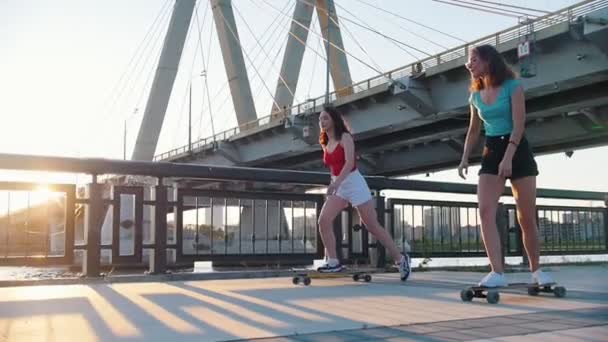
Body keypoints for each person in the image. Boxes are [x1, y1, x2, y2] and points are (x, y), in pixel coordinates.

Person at [459, 44, 553, 287]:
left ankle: (537, 270)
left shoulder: (513, 86)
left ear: (489, 60)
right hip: (492, 150)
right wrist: (465, 157)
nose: (469, 64)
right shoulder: (475, 95)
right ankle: (497, 273)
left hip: (517, 148)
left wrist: (509, 156)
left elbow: (519, 124)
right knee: (485, 211)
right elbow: (473, 130)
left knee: (525, 217)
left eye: (474, 60)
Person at [317, 105, 411, 281]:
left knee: (372, 226)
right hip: (339, 186)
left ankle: (401, 259)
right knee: (323, 221)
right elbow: (333, 167)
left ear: (334, 120)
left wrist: (336, 183)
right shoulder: (324, 142)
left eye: (325, 118)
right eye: (320, 119)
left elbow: (349, 163)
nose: (322, 122)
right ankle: (333, 261)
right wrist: (334, 184)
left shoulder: (345, 137)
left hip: (354, 183)